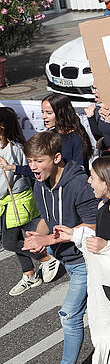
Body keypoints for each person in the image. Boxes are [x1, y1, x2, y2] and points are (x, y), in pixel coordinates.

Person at [20, 131, 98, 364]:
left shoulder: (79, 185)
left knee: (69, 315)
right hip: (68, 259)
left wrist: (49, 238)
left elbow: (93, 226)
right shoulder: (40, 184)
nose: (33, 167)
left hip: (86, 262)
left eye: (38, 161)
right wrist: (37, 238)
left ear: (56, 157)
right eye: (30, 161)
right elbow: (48, 218)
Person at [0, 107, 51, 296]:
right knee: (18, 237)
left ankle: (45, 257)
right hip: (9, 201)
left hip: (16, 199)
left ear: (2, 126)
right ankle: (29, 274)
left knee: (10, 241)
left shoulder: (12, 149)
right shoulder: (7, 146)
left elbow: (4, 183)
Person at [40, 93, 93, 171]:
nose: (44, 116)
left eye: (49, 113)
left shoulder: (76, 139)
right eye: (42, 112)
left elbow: (79, 171)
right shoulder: (49, 135)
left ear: (61, 114)